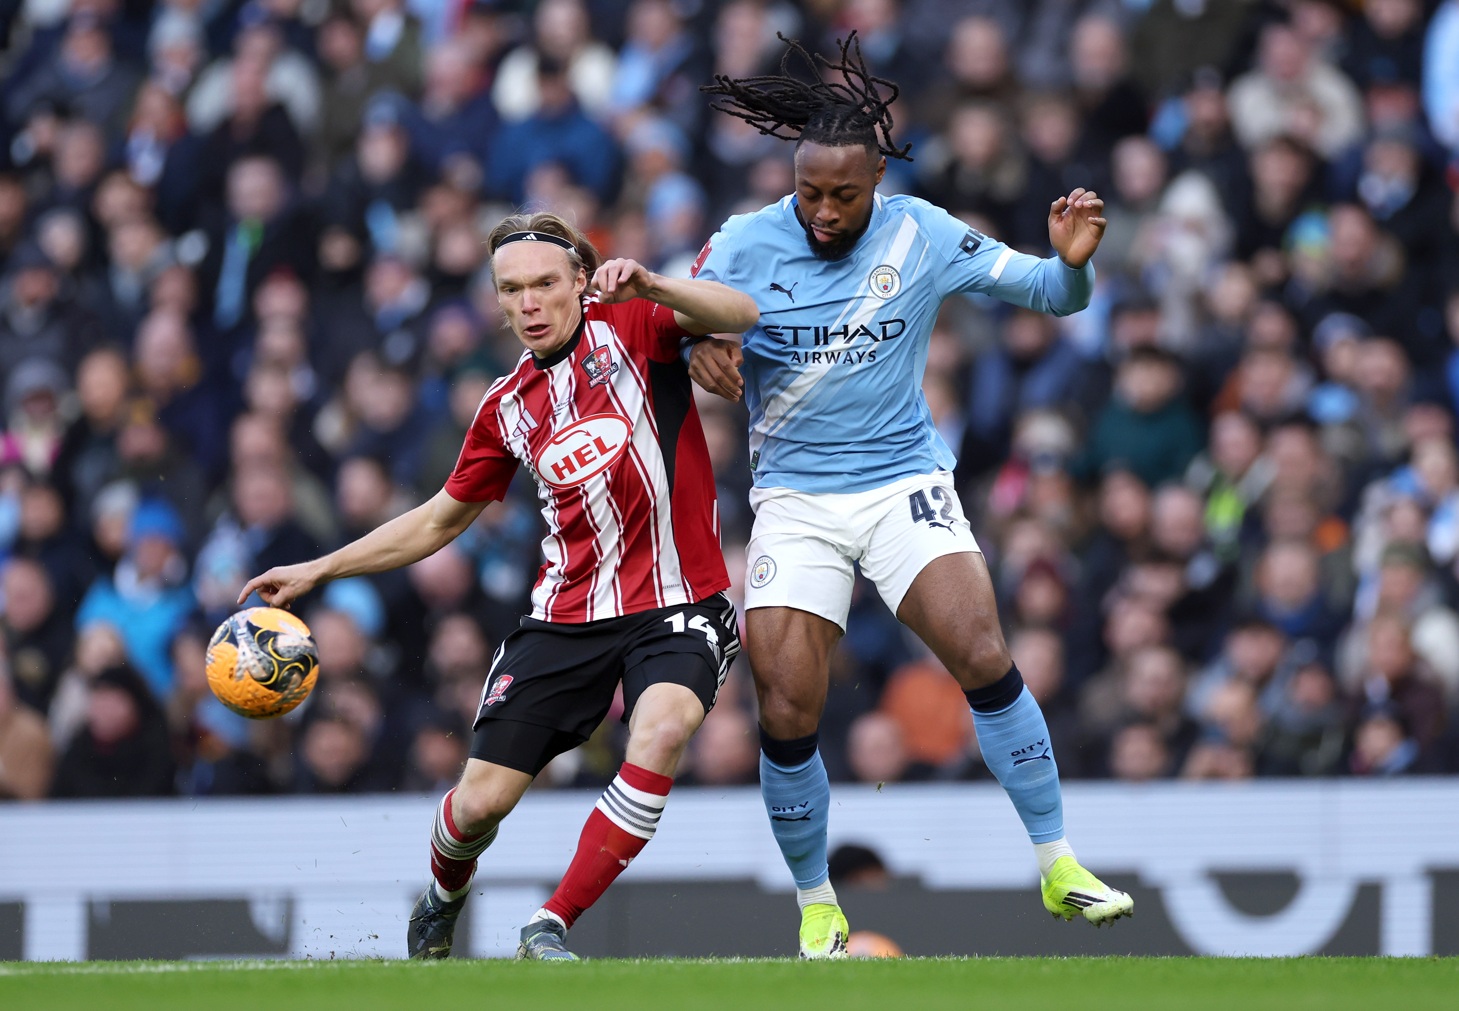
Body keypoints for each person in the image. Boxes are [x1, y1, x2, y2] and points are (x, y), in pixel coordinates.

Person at [688, 34, 1133, 958]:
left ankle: (1057, 861)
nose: (822, 211)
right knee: (785, 707)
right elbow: (677, 325)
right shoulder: (740, 242)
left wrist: (1073, 262)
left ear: (878, 178)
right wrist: (697, 347)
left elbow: (1051, 294)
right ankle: (816, 902)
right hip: (796, 501)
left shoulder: (921, 233)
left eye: (842, 195)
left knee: (981, 650)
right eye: (808, 192)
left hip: (902, 484)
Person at [238, 211, 757, 961]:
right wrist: (320, 567)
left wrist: (653, 282)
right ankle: (443, 896)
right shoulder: (505, 405)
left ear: (580, 280)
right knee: (479, 804)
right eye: (511, 290)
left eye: (545, 283)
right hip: (565, 615)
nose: (529, 303)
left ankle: (549, 923)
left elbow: (740, 311)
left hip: (680, 602)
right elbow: (437, 520)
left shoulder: (637, 323)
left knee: (663, 727)